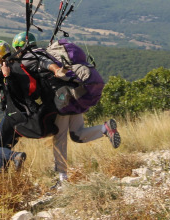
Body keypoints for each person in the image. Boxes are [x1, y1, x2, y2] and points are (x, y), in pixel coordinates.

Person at [10, 31, 121, 188]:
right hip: (73, 94)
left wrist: (55, 70)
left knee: (60, 139)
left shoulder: (31, 57)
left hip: (61, 100)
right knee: (77, 134)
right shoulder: (44, 51)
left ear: (19, 47)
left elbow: (44, 64)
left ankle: (63, 179)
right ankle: (105, 128)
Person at [0, 38, 62, 171]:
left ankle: (16, 156)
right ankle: (3, 179)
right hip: (27, 115)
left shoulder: (6, 70)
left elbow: (14, 92)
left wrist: (7, 77)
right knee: (6, 147)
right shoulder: (19, 64)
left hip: (14, 115)